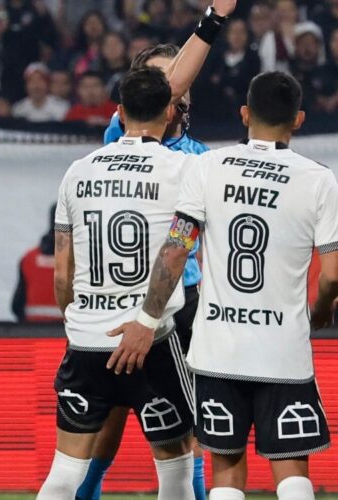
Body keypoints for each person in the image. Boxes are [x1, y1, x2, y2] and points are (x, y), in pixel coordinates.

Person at [109, 71, 338, 500]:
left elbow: (176, 250)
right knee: (291, 472)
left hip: (218, 349)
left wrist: (146, 317)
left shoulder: (207, 166)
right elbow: (334, 274)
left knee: (226, 471)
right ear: (300, 119)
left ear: (245, 114)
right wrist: (322, 307)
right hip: (283, 349)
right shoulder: (319, 179)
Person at [82, 2, 239, 496]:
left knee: (180, 421)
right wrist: (213, 20)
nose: (177, 92)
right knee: (111, 411)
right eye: (167, 83)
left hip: (182, 302)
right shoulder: (121, 134)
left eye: (182, 84)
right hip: (121, 295)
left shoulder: (202, 160)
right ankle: (87, 489)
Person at [37, 66, 194, 500]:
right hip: (153, 341)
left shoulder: (78, 171)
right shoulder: (183, 170)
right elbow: (180, 249)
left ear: (119, 112)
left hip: (87, 342)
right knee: (176, 470)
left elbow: (62, 271)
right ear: (169, 112)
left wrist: (80, 321)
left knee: (65, 473)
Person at [11, 204, 63, 323]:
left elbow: (16, 306)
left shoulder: (29, 259)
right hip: (68, 336)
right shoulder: (83, 261)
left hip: (34, 333)